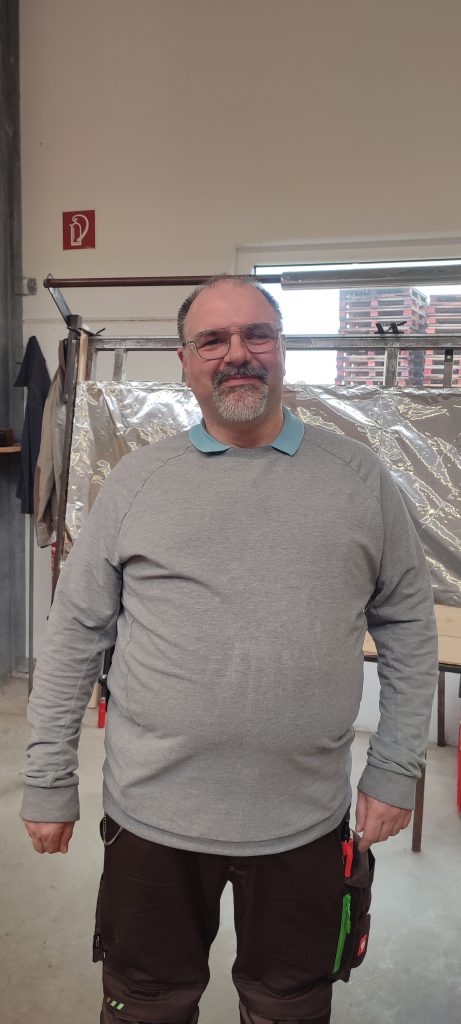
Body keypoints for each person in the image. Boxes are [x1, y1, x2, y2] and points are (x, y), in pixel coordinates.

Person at [21, 274, 438, 1024]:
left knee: (289, 1005)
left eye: (257, 334)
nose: (236, 353)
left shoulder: (358, 479)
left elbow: (408, 625)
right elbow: (75, 632)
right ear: (185, 362)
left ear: (281, 351)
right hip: (152, 819)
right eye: (212, 340)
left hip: (303, 821)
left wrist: (394, 766)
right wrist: (49, 778)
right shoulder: (138, 483)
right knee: (146, 1005)